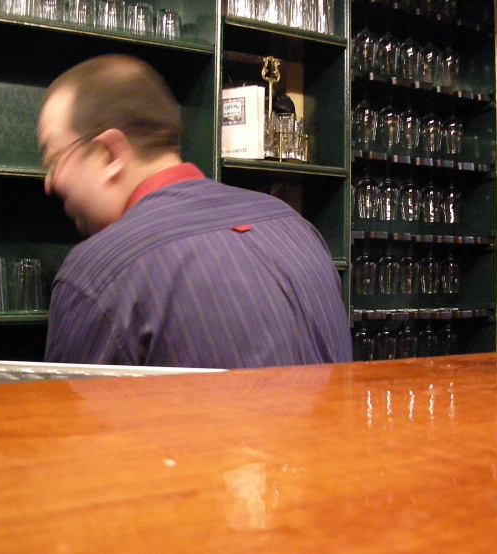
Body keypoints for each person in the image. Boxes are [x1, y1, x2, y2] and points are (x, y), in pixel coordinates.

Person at [37, 54, 352, 369]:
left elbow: (72, 416)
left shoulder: (99, 274)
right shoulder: (296, 227)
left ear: (109, 154)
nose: (51, 182)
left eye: (54, 158)